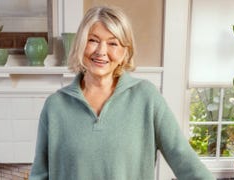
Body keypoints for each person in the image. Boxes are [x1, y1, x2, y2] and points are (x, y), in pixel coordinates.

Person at [30, 6, 215, 180]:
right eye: (93, 40)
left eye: (113, 43)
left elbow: (185, 161)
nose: (101, 51)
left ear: (125, 52)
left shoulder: (146, 98)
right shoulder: (55, 106)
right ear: (80, 44)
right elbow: (39, 175)